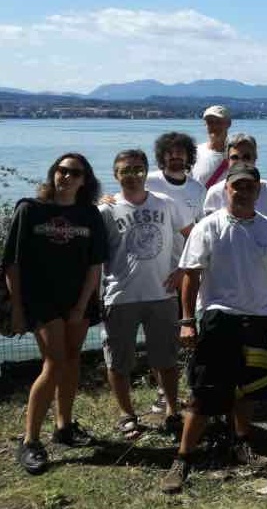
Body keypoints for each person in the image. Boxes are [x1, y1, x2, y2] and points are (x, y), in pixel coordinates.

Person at [161, 161, 267, 493]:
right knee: (205, 392)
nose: (244, 191)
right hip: (219, 319)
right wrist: (188, 321)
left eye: (250, 186)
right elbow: (190, 274)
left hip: (260, 319)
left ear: (258, 191)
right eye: (238, 186)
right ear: (226, 190)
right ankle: (184, 457)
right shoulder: (209, 226)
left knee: (250, 388)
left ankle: (241, 442)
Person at [2, 153, 108, 475]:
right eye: (61, 170)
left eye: (74, 173)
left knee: (73, 359)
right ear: (53, 174)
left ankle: (64, 426)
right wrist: (17, 307)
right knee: (54, 363)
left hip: (77, 300)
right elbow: (12, 263)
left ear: (84, 180)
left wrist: (82, 305)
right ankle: (30, 440)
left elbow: (95, 265)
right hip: (42, 301)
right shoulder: (30, 210)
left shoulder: (89, 215)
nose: (66, 176)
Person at [98, 149, 191, 439]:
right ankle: (127, 415)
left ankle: (172, 411)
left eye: (138, 169)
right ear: (116, 174)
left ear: (146, 172)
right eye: (126, 170)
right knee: (119, 360)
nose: (133, 175)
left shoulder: (165, 203)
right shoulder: (106, 210)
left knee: (166, 358)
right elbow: (94, 255)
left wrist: (182, 269)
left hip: (161, 294)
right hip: (120, 295)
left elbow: (193, 235)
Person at [146, 131, 207, 414]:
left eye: (181, 152)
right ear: (162, 156)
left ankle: (193, 387)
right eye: (170, 152)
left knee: (188, 330)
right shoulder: (150, 182)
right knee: (162, 335)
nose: (175, 156)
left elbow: (199, 230)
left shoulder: (197, 189)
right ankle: (162, 391)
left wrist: (186, 268)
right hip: (156, 269)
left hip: (188, 270)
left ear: (189, 156)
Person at [202, 133, 267, 219]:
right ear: (227, 160)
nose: (240, 162)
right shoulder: (215, 192)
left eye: (246, 157)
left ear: (255, 158)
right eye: (234, 157)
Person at [190, 105, 232, 188]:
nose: (215, 126)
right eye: (210, 122)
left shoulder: (237, 155)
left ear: (228, 124)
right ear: (205, 124)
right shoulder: (195, 152)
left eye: (219, 122)